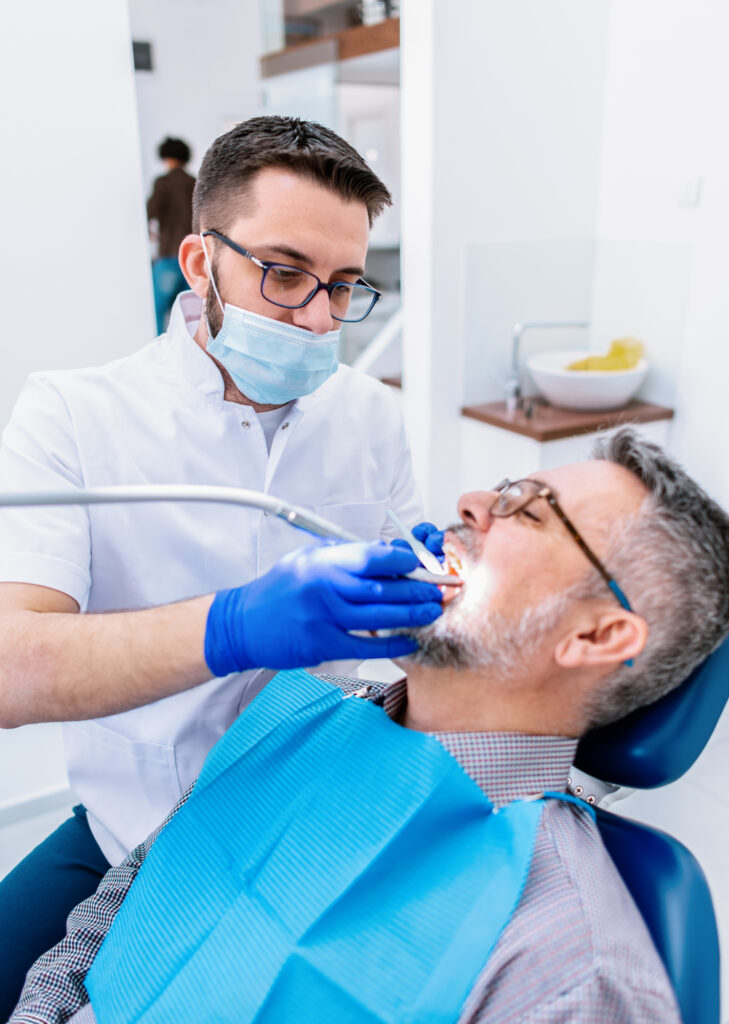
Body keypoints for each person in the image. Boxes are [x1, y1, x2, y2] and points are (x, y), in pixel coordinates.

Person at [10, 430, 729, 1024]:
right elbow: (127, 899)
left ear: (595, 638)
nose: (469, 502)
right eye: (501, 490)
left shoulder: (564, 962)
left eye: (527, 511)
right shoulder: (291, 712)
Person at [0, 116, 443, 1015]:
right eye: (285, 274)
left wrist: (440, 608)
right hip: (135, 832)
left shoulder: (368, 413)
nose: (319, 317)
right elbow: (9, 667)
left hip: (308, 827)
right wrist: (229, 627)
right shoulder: (75, 417)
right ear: (200, 263)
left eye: (345, 285)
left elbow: (423, 635)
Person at [146, 136, 196, 333]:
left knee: (158, 312)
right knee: (189, 315)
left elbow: (151, 212)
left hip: (168, 255)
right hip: (192, 259)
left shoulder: (163, 182)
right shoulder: (195, 182)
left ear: (166, 157)